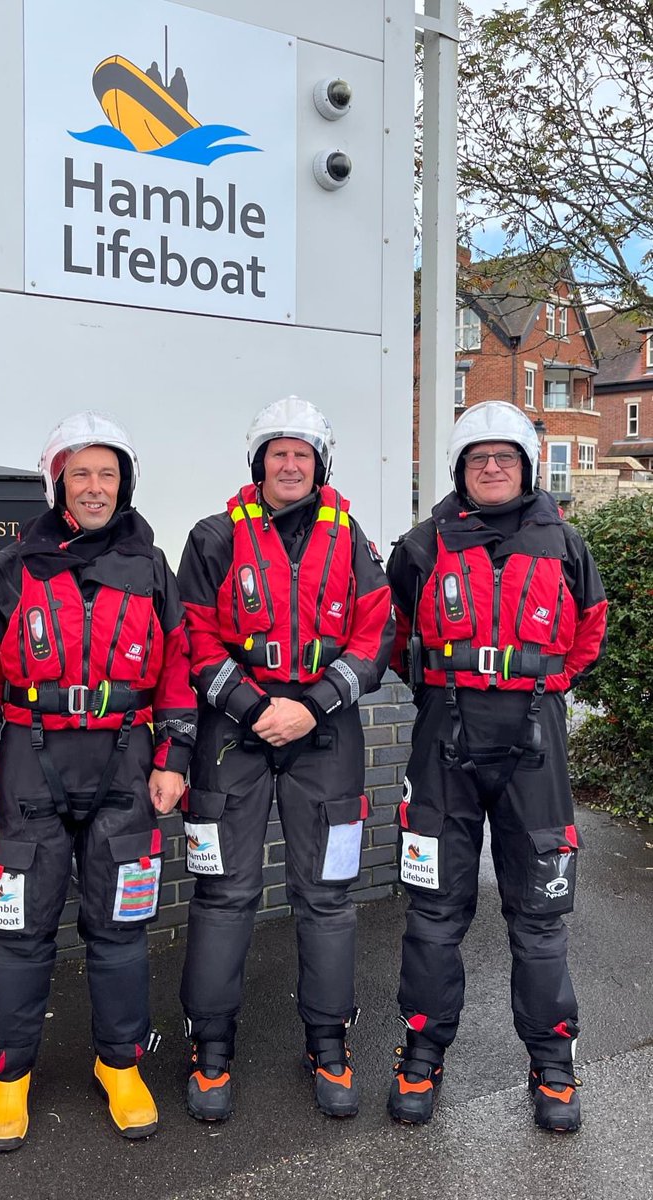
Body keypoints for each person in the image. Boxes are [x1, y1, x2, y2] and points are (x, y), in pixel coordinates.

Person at [0, 411, 196, 1151]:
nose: (95, 487)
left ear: (124, 484)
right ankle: (8, 1074)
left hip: (124, 759)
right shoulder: (7, 570)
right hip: (28, 759)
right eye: (81, 473)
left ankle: (119, 1064)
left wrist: (174, 758)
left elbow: (179, 667)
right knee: (19, 928)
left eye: (107, 474)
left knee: (120, 927)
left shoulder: (152, 569)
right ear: (57, 481)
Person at [386, 401, 607, 1133]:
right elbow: (396, 640)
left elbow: (587, 634)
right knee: (432, 911)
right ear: (458, 468)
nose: (490, 467)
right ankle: (421, 1050)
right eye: (477, 457)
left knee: (540, 913)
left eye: (503, 457)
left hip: (533, 741)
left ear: (525, 467)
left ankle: (552, 1063)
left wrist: (536, 688)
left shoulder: (565, 543)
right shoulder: (420, 547)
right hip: (442, 736)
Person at [176, 395, 394, 1121]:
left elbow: (375, 637)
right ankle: (210, 1050)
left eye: (302, 452)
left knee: (327, 896)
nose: (290, 463)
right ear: (257, 462)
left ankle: (327, 1045)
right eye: (278, 452)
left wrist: (312, 703)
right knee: (223, 893)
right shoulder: (212, 537)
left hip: (324, 734)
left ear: (320, 463)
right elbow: (195, 638)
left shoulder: (352, 538)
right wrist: (251, 707)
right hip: (231, 734)